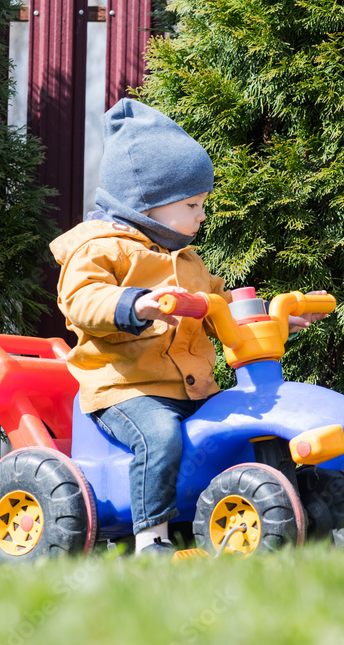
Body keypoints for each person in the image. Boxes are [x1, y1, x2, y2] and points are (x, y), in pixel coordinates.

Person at [49, 99, 324, 556]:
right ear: (147, 204)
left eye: (203, 204)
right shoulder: (100, 250)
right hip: (126, 389)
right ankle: (150, 540)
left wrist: (269, 321)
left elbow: (217, 307)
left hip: (190, 388)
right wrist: (136, 303)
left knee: (245, 422)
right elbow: (80, 300)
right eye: (192, 204)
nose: (201, 215)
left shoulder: (188, 262)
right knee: (159, 436)